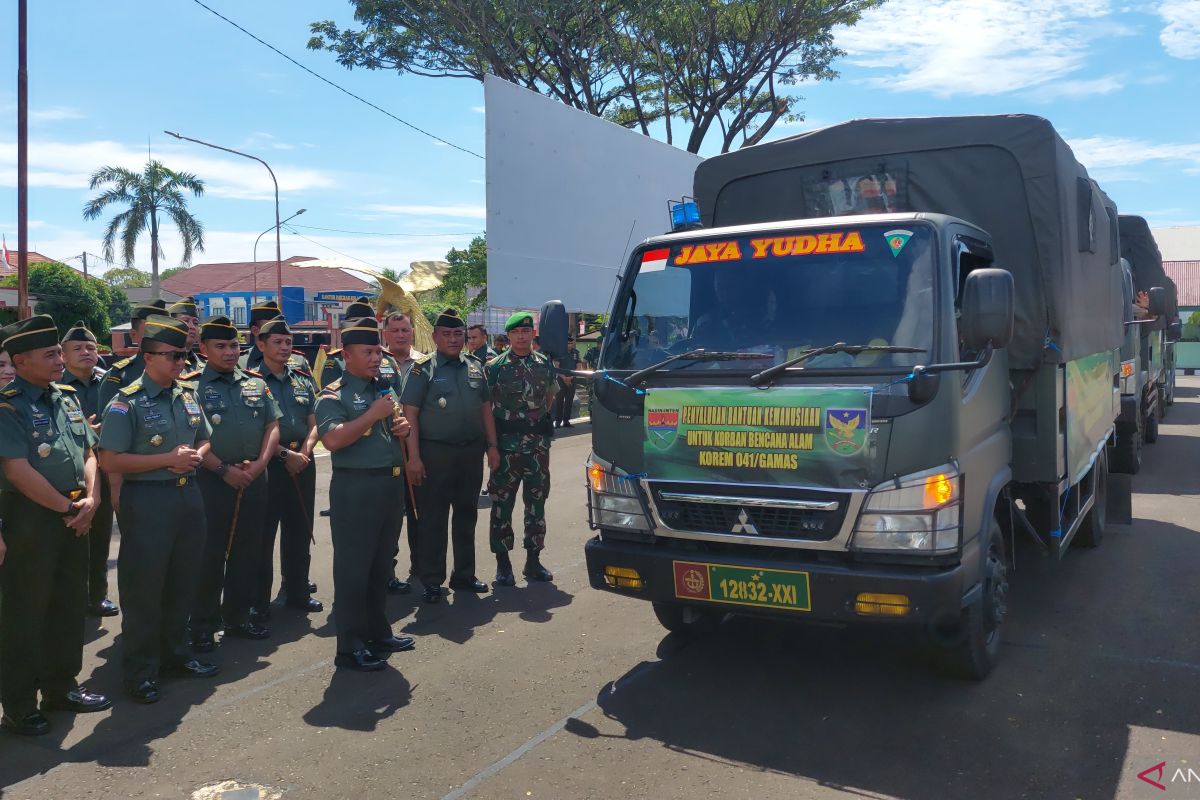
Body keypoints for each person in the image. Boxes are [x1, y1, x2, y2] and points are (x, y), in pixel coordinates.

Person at [97, 314, 218, 704]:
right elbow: (110, 459)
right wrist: (166, 460)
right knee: (145, 590)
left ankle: (176, 656)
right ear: (148, 357)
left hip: (187, 497)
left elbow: (203, 440)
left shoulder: (187, 394)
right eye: (172, 356)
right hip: (148, 501)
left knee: (183, 583)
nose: (180, 362)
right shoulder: (126, 402)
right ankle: (141, 671)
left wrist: (192, 457)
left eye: (183, 355)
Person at [0, 315, 110, 736]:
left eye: (57, 352)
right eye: (49, 354)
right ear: (21, 360)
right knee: (26, 612)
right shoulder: (9, 406)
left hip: (76, 512)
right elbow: (16, 470)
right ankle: (19, 703)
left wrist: (92, 498)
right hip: (34, 519)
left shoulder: (65, 397)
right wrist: (67, 509)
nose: (59, 359)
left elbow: (89, 451)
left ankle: (61, 687)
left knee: (68, 605)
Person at [316, 316, 415, 671]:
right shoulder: (333, 395)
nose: (377, 358)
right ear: (347, 354)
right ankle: (350, 645)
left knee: (379, 567)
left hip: (388, 485)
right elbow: (333, 439)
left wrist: (398, 426)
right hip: (356, 488)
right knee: (354, 570)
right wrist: (372, 416)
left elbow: (391, 428)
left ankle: (378, 631)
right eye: (369, 351)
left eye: (378, 351)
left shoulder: (382, 390)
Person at [188, 316, 281, 651]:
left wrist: (258, 466)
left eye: (233, 346)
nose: (229, 352)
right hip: (211, 480)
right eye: (220, 346)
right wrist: (223, 469)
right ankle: (202, 623)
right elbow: (193, 436)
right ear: (203, 349)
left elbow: (273, 426)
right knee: (209, 554)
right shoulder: (191, 385)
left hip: (254, 479)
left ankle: (238, 617)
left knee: (247, 551)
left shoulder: (256, 382)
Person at [401, 308, 499, 604]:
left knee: (467, 514)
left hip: (470, 452)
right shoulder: (422, 370)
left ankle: (464, 575)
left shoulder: (474, 366)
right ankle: (432, 580)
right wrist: (413, 457)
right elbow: (410, 415)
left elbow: (485, 409)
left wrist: (492, 446)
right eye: (447, 334)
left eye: (459, 334)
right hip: (435, 453)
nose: (454, 339)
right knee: (433, 518)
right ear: (435, 337)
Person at [255, 316, 323, 617]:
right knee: (263, 535)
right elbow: (255, 430)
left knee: (299, 530)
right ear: (261, 344)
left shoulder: (302, 379)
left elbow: (314, 421)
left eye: (288, 343)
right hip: (269, 465)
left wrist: (305, 452)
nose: (285, 348)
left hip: (303, 463)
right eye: (277, 342)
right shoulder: (252, 382)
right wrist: (285, 456)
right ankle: (258, 602)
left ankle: (297, 591)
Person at [485, 312, 557, 586]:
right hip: (506, 449)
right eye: (517, 332)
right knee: (502, 505)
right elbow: (486, 408)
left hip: (537, 448)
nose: (522, 336)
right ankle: (503, 565)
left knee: (536, 504)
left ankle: (533, 561)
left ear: (532, 334)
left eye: (527, 331)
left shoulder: (544, 364)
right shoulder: (495, 367)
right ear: (509, 335)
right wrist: (491, 446)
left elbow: (549, 398)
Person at [59, 320, 118, 618]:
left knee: (100, 535)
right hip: (68, 473)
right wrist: (85, 433)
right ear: (63, 356)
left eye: (91, 347)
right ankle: (69, 599)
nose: (86, 352)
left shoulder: (110, 382)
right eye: (78, 348)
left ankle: (97, 595)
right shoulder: (55, 386)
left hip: (106, 471)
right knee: (68, 539)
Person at [382, 311, 424, 594]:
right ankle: (387, 572)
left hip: (418, 448)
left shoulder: (424, 363)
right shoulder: (375, 362)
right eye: (395, 330)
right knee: (389, 518)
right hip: (386, 452)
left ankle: (420, 568)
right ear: (385, 333)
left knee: (419, 513)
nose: (400, 335)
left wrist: (415, 456)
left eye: (405, 329)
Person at [98, 300, 168, 410]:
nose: (158, 337)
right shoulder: (119, 376)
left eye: (164, 331)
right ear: (134, 335)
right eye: (151, 331)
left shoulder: (179, 369)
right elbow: (110, 422)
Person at [240, 300, 308, 372]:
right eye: (270, 327)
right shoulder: (239, 362)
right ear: (255, 330)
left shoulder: (298, 361)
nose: (277, 331)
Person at [167, 296, 205, 371]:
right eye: (186, 321)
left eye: (195, 323)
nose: (192, 327)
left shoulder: (206, 367)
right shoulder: (159, 363)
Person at [553, 336, 581, 429]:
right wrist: (564, 377)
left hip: (572, 379)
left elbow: (578, 366)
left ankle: (566, 420)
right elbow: (556, 367)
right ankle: (558, 421)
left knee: (569, 401)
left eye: (571, 343)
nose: (570, 345)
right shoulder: (559, 353)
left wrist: (572, 376)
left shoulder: (576, 353)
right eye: (568, 343)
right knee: (559, 401)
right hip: (561, 379)